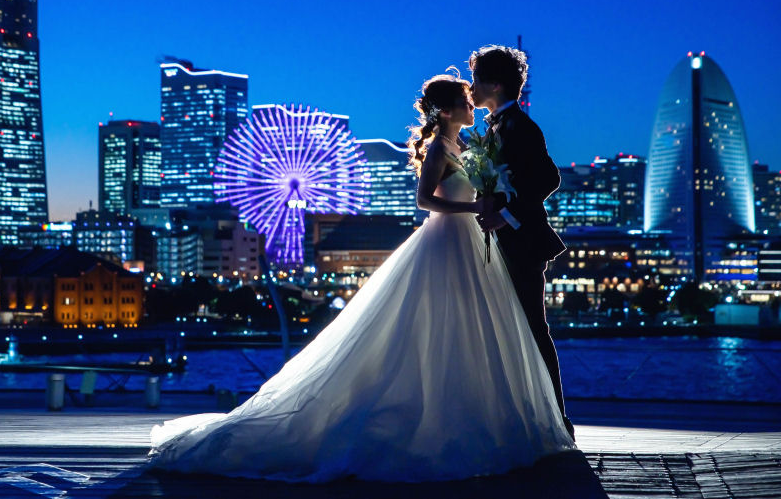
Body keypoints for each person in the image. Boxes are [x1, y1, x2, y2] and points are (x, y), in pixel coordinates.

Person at [148, 69, 575, 482]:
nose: (471, 104)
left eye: (472, 96)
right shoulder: (441, 151)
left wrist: (491, 205)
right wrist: (472, 208)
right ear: (445, 111)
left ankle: (477, 414)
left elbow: (509, 182)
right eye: (464, 101)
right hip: (446, 242)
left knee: (471, 330)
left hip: (473, 244)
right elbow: (425, 200)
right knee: (436, 327)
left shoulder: (467, 144)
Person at [469, 45, 575, 440]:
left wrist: (507, 215)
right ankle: (527, 415)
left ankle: (556, 420)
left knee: (532, 329)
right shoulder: (497, 125)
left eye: (477, 80)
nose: (471, 87)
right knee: (513, 331)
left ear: (495, 84)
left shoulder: (520, 126)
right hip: (504, 241)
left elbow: (549, 178)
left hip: (523, 244)